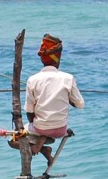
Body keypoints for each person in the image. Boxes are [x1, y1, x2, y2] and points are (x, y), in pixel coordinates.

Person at [12, 33, 84, 165]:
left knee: (12, 140)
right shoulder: (68, 78)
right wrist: (69, 99)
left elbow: (29, 112)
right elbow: (79, 104)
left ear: (42, 59)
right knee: (45, 126)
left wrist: (37, 124)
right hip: (61, 129)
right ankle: (43, 147)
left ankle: (42, 148)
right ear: (58, 57)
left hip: (40, 128)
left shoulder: (32, 80)